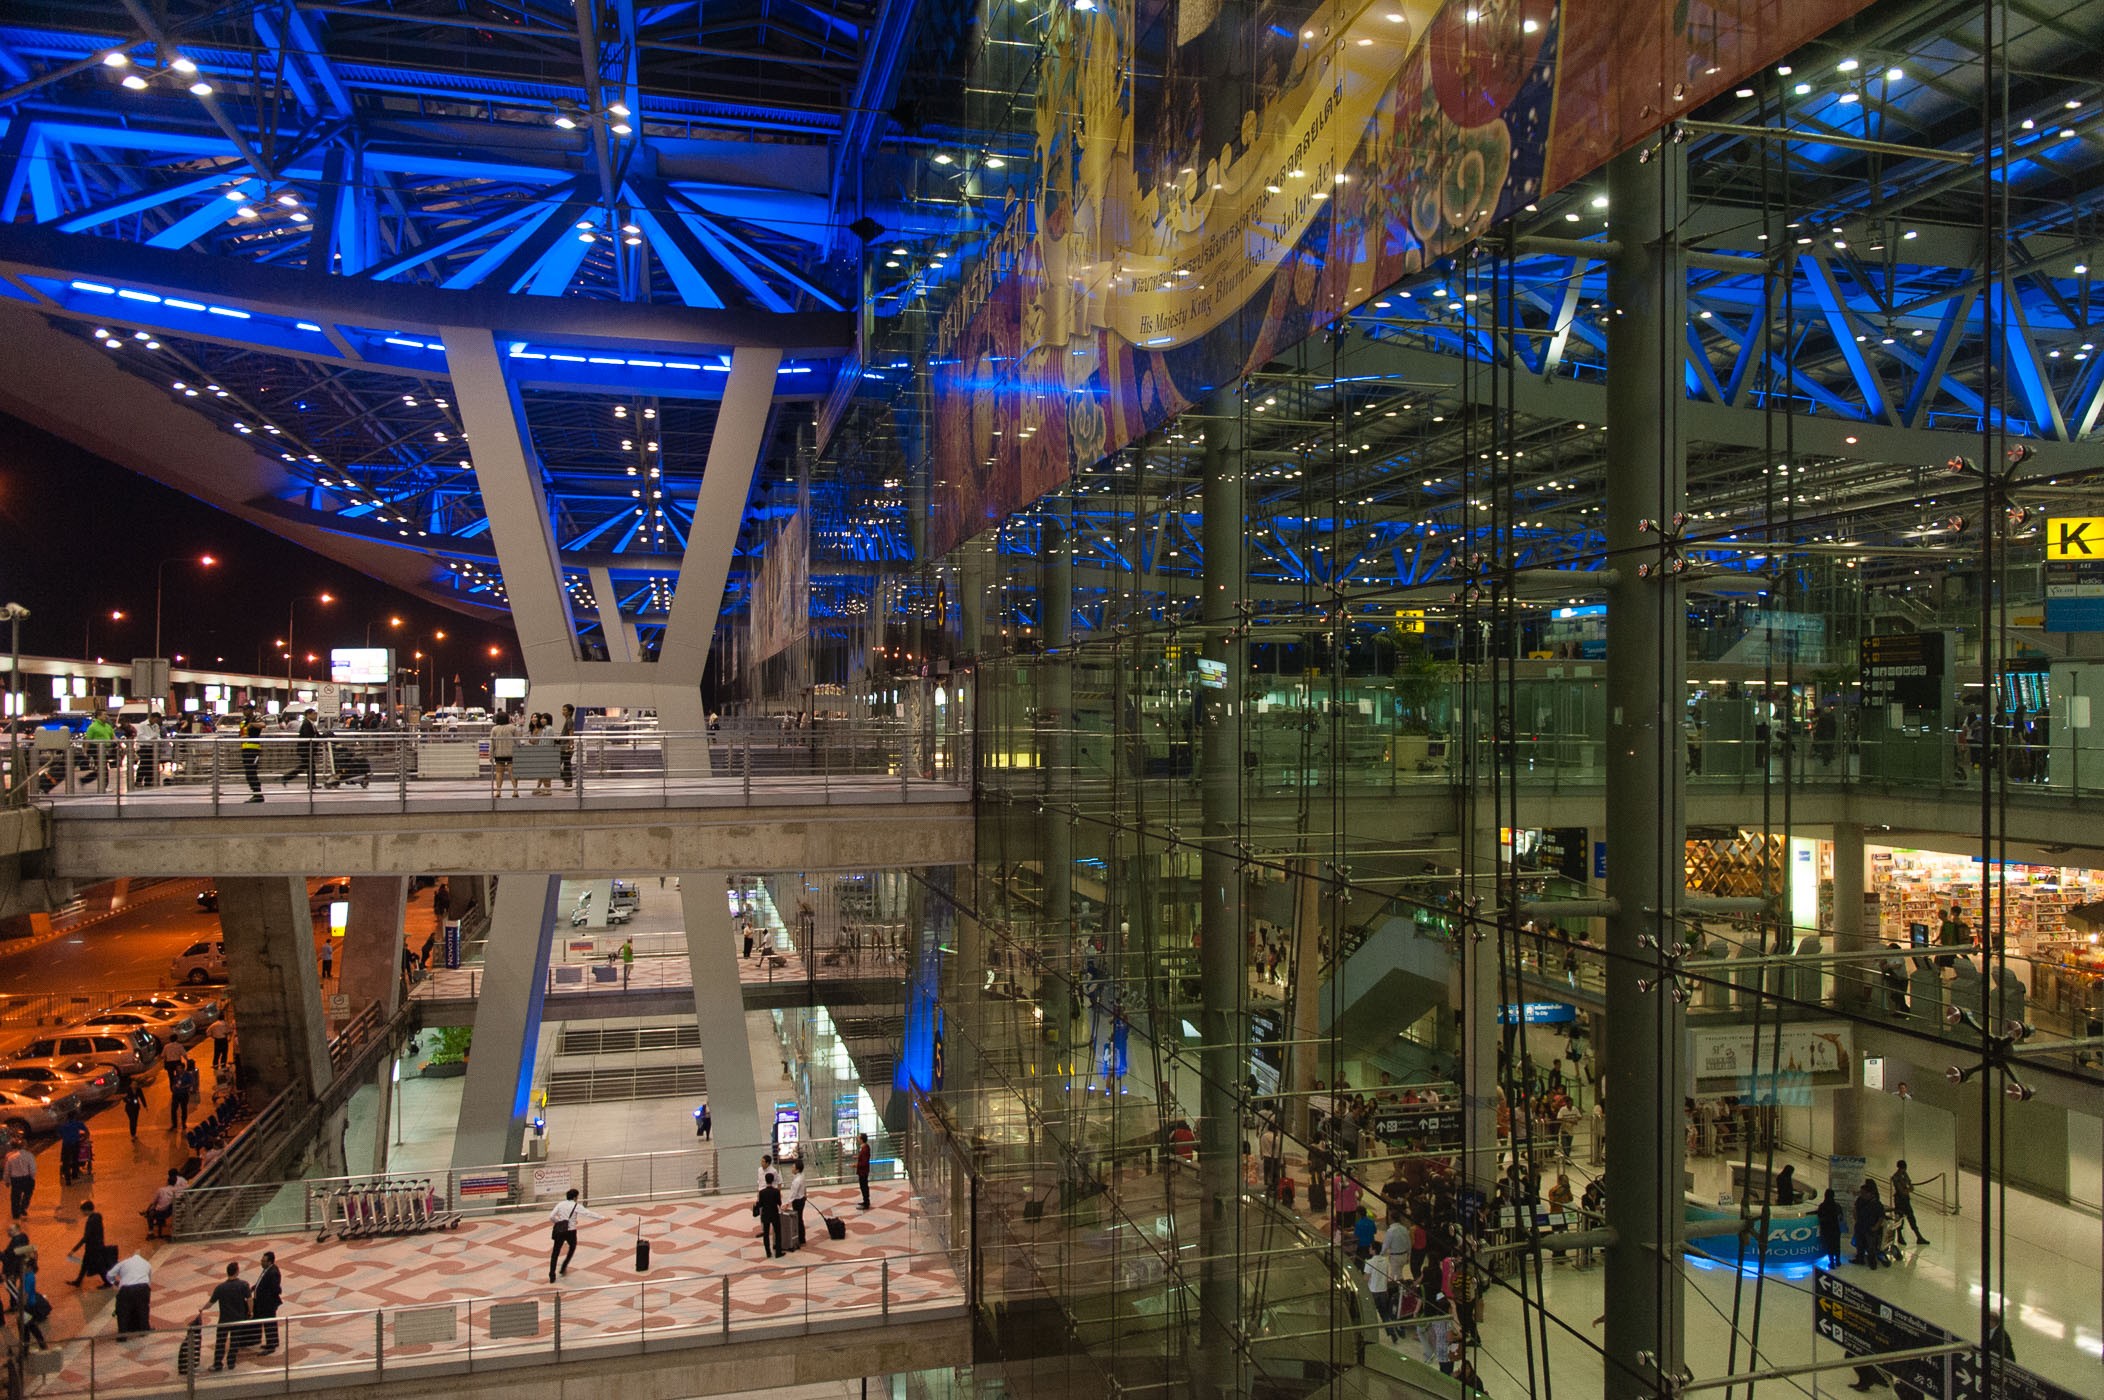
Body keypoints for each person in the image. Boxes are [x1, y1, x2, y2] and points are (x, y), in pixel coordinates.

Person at [205, 1260, 250, 1371]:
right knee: (234, 1341)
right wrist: (251, 1311)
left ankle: (217, 1363)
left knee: (220, 1342)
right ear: (237, 1272)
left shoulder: (220, 1288)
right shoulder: (243, 1285)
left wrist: (202, 1309)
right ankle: (231, 1363)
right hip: (237, 1318)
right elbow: (249, 1299)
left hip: (224, 1319)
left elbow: (210, 1303)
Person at [547, 1188, 597, 1282]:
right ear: (575, 1197)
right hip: (571, 1231)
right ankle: (563, 1267)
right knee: (572, 1247)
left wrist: (558, 1222)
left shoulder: (560, 1204)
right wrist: (600, 1217)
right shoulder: (576, 1205)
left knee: (555, 1253)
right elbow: (588, 1213)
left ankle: (552, 1275)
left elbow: (551, 1216)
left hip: (560, 1231)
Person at [70, 1199, 113, 1287]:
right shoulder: (97, 1217)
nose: (82, 1213)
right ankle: (78, 1281)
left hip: (93, 1248)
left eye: (83, 1211)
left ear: (87, 1210)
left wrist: (74, 1249)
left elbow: (86, 1237)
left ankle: (108, 1282)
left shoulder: (91, 1221)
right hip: (97, 1245)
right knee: (85, 1264)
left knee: (99, 1266)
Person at [110, 1250, 152, 1335]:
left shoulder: (123, 1263)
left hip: (126, 1289)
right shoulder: (147, 1264)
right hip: (143, 1288)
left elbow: (109, 1275)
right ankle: (144, 1330)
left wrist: (115, 1282)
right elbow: (149, 1280)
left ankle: (122, 1334)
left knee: (123, 1310)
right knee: (143, 1309)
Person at [250, 1251, 282, 1354]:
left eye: (263, 1261)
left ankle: (271, 1346)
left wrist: (267, 1297)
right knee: (270, 1322)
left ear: (269, 1262)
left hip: (268, 1303)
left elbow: (275, 1288)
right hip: (265, 1302)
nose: (261, 1262)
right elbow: (262, 1283)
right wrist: (254, 1288)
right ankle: (273, 1341)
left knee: (269, 1324)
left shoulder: (272, 1272)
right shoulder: (267, 1270)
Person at [279, 709, 321, 787]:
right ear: (308, 715)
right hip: (305, 749)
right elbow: (308, 735)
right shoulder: (306, 724)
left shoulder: (311, 724)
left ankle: (311, 783)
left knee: (308, 766)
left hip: (308, 749)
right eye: (314, 714)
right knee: (308, 766)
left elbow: (316, 735)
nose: (316, 716)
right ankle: (287, 777)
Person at [1890, 1160, 1927, 1247]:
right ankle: (1900, 1236)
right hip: (1900, 1200)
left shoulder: (1904, 1175)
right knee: (1900, 1218)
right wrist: (1907, 1190)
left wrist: (1907, 1190)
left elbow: (1910, 1187)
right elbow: (1901, 1190)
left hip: (1905, 1200)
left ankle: (1918, 1236)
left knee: (1911, 1217)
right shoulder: (1896, 1177)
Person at [16, 1247, 47, 1350]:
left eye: (24, 1266)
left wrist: (21, 1308)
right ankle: (40, 1344)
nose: (22, 1267)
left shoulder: (28, 1278)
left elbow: (26, 1294)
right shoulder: (29, 1275)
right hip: (30, 1306)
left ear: (28, 1267)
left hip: (27, 1307)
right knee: (30, 1326)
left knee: (26, 1327)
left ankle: (26, 1349)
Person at [1851, 1181, 1885, 1268]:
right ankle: (1860, 1258)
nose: (1861, 1194)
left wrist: (1876, 1227)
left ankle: (1872, 1262)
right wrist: (1856, 1219)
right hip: (1860, 1226)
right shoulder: (1860, 1200)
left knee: (1871, 1246)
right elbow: (1855, 1209)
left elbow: (1881, 1217)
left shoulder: (1876, 1204)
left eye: (1863, 1193)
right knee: (1859, 1244)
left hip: (1870, 1228)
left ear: (1870, 1194)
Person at [238, 707, 266, 802]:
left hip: (254, 750)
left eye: (246, 709)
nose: (244, 711)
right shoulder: (243, 721)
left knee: (252, 772)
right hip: (245, 749)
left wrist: (252, 725)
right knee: (248, 773)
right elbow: (242, 734)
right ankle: (256, 793)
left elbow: (263, 725)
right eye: (243, 710)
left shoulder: (256, 718)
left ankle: (258, 794)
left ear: (251, 710)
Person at [755, 1171, 785, 1257]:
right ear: (772, 1180)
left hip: (765, 1214)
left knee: (766, 1234)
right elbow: (779, 1203)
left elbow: (760, 1204)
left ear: (765, 1180)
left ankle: (768, 1252)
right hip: (774, 1213)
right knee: (778, 1232)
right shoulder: (776, 1192)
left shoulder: (762, 1192)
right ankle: (778, 1252)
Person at [489, 711, 518, 797]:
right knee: (512, 773)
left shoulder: (494, 729)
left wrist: (491, 755)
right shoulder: (513, 728)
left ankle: (498, 791)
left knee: (499, 773)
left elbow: (492, 743)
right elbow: (517, 741)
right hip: (511, 753)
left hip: (499, 753)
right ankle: (515, 790)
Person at [4, 1141, 35, 1219]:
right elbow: (32, 1169)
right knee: (27, 1194)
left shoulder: (11, 1157)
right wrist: (32, 1178)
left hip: (15, 1179)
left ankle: (15, 1214)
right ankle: (23, 1207)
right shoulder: (29, 1156)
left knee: (15, 1197)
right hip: (26, 1178)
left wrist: (7, 1181)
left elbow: (7, 1171)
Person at [1816, 1188, 1845, 1270]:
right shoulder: (1837, 1206)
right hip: (1835, 1228)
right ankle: (1838, 1261)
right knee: (1837, 1245)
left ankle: (1831, 1262)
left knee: (1829, 1246)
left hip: (1826, 1228)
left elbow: (1819, 1216)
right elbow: (1841, 1217)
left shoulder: (1822, 1206)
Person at [58, 1113, 85, 1186]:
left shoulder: (63, 1125)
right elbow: (86, 1131)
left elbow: (59, 1134)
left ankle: (68, 1179)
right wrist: (83, 1138)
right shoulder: (78, 1123)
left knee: (66, 1161)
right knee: (75, 1159)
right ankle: (74, 1175)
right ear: (74, 1117)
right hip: (75, 1143)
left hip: (66, 1144)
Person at [787, 1159, 808, 1251]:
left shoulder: (797, 1180)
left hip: (798, 1201)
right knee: (800, 1218)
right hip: (802, 1198)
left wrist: (787, 1203)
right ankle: (802, 1238)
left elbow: (793, 1193)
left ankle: (800, 1238)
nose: (792, 1168)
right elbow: (804, 1187)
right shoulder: (801, 1177)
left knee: (798, 1219)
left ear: (797, 1169)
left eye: (793, 1167)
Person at [558, 704, 577, 788]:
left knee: (563, 764)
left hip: (565, 747)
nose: (563, 711)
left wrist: (570, 745)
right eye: (563, 709)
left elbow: (571, 733)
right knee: (566, 764)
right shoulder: (568, 720)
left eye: (565, 710)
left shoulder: (569, 721)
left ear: (570, 712)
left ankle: (567, 780)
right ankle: (568, 781)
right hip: (564, 745)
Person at [855, 1132, 873, 1210]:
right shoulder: (864, 1147)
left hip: (863, 1171)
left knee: (864, 1186)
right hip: (863, 1171)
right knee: (863, 1186)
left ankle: (866, 1202)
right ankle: (865, 1201)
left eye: (859, 1138)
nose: (857, 1139)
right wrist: (858, 1157)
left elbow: (864, 1162)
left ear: (862, 1139)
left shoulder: (865, 1149)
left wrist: (856, 1165)